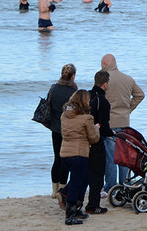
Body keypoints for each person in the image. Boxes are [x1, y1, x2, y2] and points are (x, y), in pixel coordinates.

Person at [101, 54, 145, 192]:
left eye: (101, 65)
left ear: (105, 64)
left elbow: (98, 99)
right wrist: (128, 109)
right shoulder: (128, 78)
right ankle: (125, 184)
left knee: (111, 157)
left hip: (109, 122)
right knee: (124, 156)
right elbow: (140, 95)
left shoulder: (104, 79)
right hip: (125, 122)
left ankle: (111, 187)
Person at [60, 89, 100, 225]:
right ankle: (69, 215)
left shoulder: (64, 115)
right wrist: (97, 129)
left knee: (84, 179)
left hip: (65, 154)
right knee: (76, 184)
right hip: (79, 154)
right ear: (85, 101)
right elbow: (93, 138)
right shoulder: (87, 118)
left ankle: (76, 208)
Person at [85, 70, 114, 215]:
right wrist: (112, 133)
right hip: (95, 141)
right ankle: (93, 205)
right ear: (105, 84)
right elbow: (104, 126)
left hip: (82, 141)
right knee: (97, 174)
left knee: (84, 173)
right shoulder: (103, 101)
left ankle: (67, 195)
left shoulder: (86, 97)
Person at [48, 64, 78, 200]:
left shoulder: (54, 88)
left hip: (55, 128)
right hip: (68, 129)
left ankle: (54, 190)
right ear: (72, 76)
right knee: (65, 159)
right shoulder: (73, 91)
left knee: (57, 158)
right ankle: (62, 189)